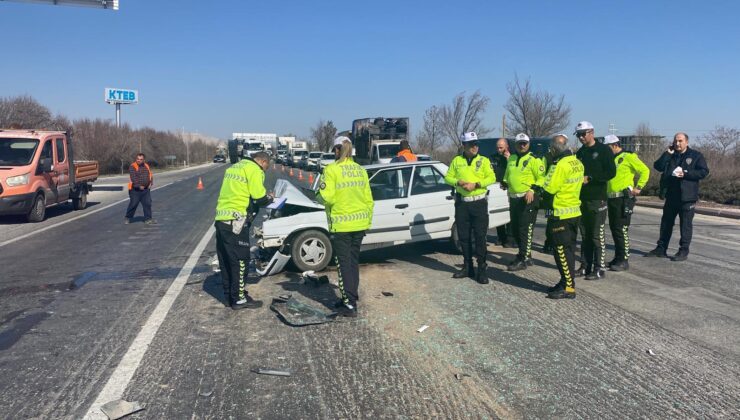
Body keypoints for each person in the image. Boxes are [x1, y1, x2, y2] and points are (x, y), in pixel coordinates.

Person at [318, 136, 374, 317]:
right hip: (360, 223)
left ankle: (349, 304)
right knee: (353, 262)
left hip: (342, 225)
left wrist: (317, 194)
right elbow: (369, 200)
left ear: (336, 150)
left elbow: (328, 197)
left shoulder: (331, 170)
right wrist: (367, 222)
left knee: (343, 265)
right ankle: (350, 296)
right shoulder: (360, 170)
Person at [214, 151, 273, 310]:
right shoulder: (254, 169)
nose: (265, 171)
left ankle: (229, 296)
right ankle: (239, 299)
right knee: (241, 260)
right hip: (236, 220)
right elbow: (259, 197)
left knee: (226, 260)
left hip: (222, 218)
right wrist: (270, 198)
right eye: (266, 167)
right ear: (262, 161)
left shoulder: (235, 167)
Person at [645, 132, 709, 261]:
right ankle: (661, 248)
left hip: (687, 197)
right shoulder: (670, 155)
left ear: (686, 142)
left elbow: (703, 172)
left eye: (680, 141)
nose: (677, 143)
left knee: (685, 225)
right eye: (676, 141)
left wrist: (686, 173)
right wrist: (667, 153)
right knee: (666, 223)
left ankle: (683, 250)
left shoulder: (695, 155)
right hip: (671, 195)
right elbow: (658, 166)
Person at [444, 132, 496, 284]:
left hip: (478, 202)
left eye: (476, 144)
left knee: (480, 236)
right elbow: (447, 177)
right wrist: (458, 182)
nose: (475, 147)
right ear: (464, 145)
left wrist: (476, 184)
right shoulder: (457, 161)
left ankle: (482, 269)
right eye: (471, 144)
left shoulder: (484, 160)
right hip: (462, 203)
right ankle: (468, 267)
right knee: (464, 237)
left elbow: (491, 177)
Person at [541, 134, 585, 299]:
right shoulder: (577, 163)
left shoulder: (559, 165)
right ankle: (566, 281)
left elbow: (549, 188)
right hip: (574, 212)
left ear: (553, 149)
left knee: (561, 251)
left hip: (560, 213)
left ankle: (568, 287)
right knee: (569, 251)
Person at [574, 121, 616, 280]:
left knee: (596, 235)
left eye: (583, 134)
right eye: (578, 135)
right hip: (582, 198)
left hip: (597, 198)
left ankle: (599, 268)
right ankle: (585, 266)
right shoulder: (580, 152)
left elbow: (611, 172)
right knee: (584, 235)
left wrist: (591, 178)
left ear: (592, 132)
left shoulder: (604, 150)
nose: (581, 137)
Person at [603, 134, 650, 271]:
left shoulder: (628, 157)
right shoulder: (611, 159)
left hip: (623, 198)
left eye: (607, 148)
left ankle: (624, 260)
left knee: (621, 229)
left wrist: (639, 187)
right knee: (614, 229)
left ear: (615, 145)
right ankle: (618, 257)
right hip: (611, 198)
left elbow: (645, 170)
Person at [504, 133, 546, 271]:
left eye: (525, 143)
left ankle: (523, 258)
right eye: (520, 143)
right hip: (514, 198)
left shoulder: (534, 159)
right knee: (515, 229)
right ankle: (525, 254)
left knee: (525, 229)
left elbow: (542, 178)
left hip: (527, 198)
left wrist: (532, 190)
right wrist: (505, 182)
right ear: (515, 145)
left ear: (528, 144)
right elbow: (507, 174)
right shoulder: (512, 158)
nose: (522, 146)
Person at [490, 138, 516, 248]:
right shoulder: (493, 158)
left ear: (506, 147)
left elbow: (515, 172)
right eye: (497, 147)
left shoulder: (513, 157)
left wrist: (509, 159)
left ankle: (510, 239)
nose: (499, 149)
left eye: (501, 147)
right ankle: (501, 237)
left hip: (509, 188)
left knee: (509, 214)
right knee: (499, 212)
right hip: (497, 188)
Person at [125, 153, 156, 224]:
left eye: (141, 159)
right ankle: (128, 217)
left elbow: (150, 175)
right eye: (137, 159)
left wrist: (151, 183)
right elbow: (133, 178)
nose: (139, 160)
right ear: (136, 159)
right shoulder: (133, 166)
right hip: (135, 190)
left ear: (144, 160)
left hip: (145, 190)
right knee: (134, 204)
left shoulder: (146, 166)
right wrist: (139, 186)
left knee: (147, 203)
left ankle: (148, 219)